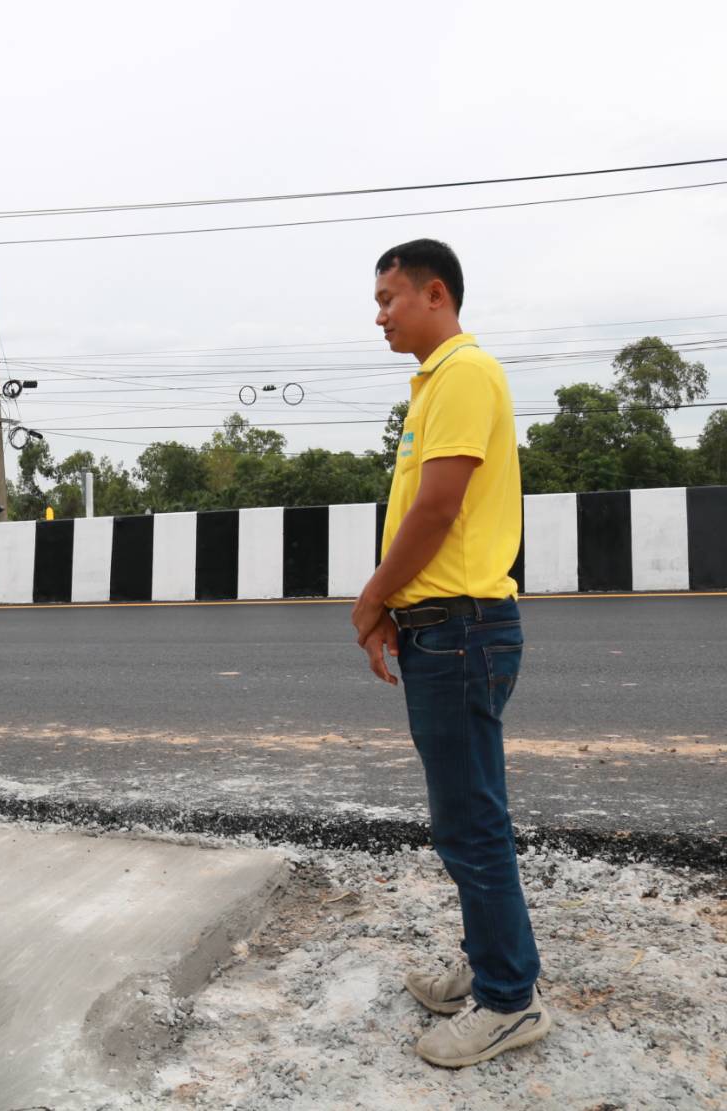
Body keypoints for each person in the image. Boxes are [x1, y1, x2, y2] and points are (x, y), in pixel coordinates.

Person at [352, 239, 550, 1068]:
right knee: (467, 815)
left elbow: (435, 510)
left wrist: (372, 598)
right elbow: (430, 515)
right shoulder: (436, 383)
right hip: (444, 625)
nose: (379, 315)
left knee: (470, 822)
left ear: (436, 294)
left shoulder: (465, 373)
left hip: (462, 629)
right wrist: (398, 608)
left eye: (389, 298)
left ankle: (508, 999)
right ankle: (489, 960)